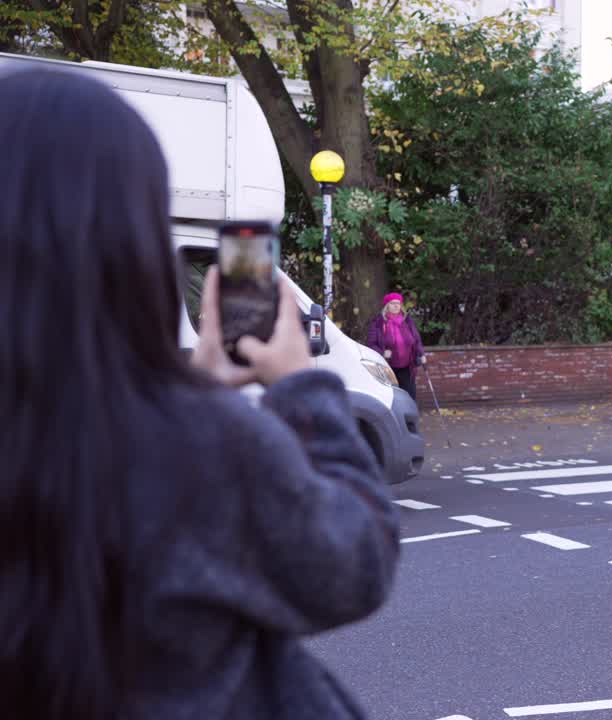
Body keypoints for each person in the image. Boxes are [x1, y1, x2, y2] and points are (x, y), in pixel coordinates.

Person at [0, 70, 399, 718]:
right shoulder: (200, 445)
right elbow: (354, 564)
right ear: (131, 243)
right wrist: (301, 385)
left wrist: (196, 387)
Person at [366, 292, 426, 399]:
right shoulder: (379, 322)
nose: (396, 306)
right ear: (387, 306)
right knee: (392, 396)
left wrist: (421, 354)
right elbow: (371, 343)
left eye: (398, 303)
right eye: (392, 303)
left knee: (410, 395)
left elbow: (416, 339)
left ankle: (411, 415)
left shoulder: (407, 320)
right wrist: (382, 352)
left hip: (407, 365)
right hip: (388, 366)